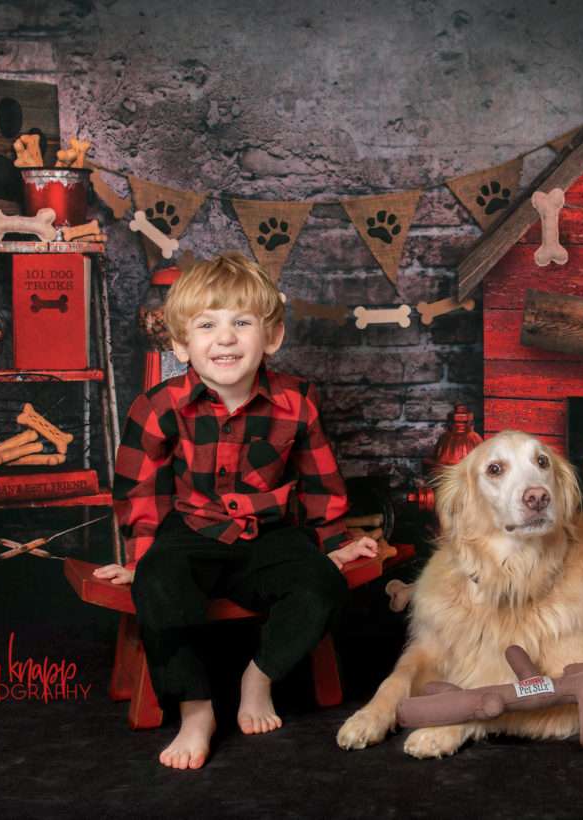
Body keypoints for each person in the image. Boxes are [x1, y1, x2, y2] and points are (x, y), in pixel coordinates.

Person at [93, 252, 378, 770]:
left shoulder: (297, 401)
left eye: (241, 323)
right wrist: (139, 558)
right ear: (181, 343)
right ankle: (195, 708)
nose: (225, 338)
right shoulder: (158, 406)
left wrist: (335, 542)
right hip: (191, 530)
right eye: (207, 325)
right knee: (157, 584)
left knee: (323, 586)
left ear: (271, 337)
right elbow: (141, 490)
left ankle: (259, 676)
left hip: (269, 534)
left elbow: (319, 480)